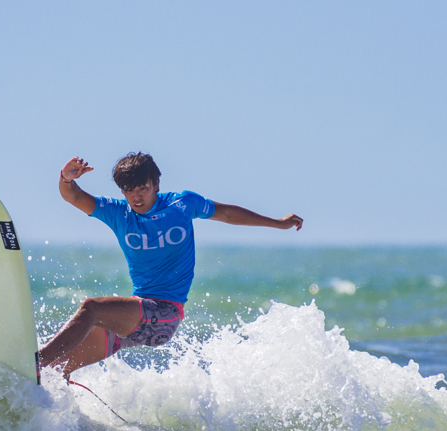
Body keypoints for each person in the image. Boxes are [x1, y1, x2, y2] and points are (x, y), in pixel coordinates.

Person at [39, 152, 303, 378]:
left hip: (165, 314)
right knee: (57, 371)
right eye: (129, 190)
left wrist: (278, 223)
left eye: (142, 188)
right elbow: (73, 196)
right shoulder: (118, 212)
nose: (136, 196)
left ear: (155, 183)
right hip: (135, 318)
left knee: (91, 308)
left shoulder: (182, 204)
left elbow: (228, 214)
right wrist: (66, 179)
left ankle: (35, 362)